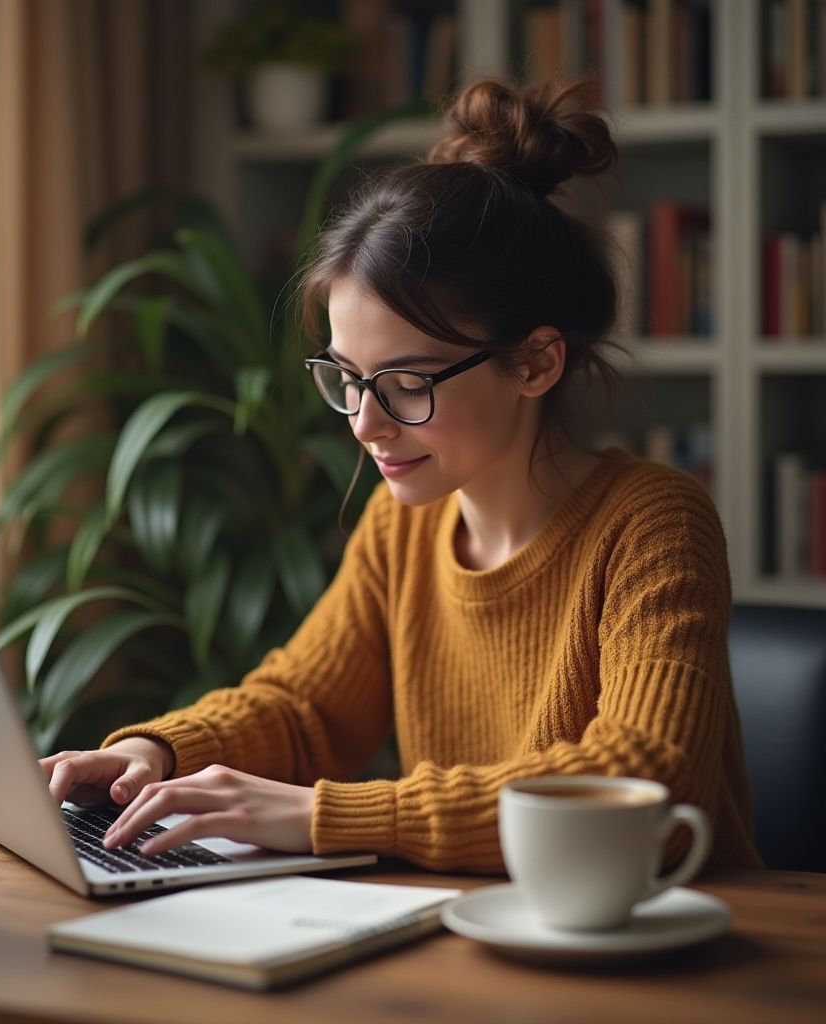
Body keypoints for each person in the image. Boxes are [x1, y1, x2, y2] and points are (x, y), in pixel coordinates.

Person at [41, 77, 760, 871]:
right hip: (478, 935)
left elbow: (643, 777)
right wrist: (156, 752)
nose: (363, 421)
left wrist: (330, 814)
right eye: (347, 376)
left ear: (535, 361)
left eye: (408, 383)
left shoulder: (654, 524)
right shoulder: (405, 521)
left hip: (669, 954)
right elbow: (303, 707)